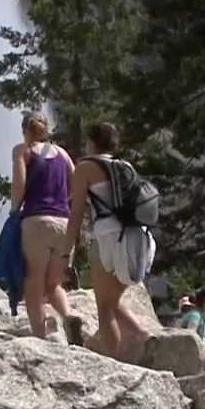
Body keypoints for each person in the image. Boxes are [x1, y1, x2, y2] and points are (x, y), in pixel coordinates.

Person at [63, 122, 156, 360]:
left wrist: (66, 249)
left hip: (106, 240)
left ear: (92, 142)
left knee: (104, 307)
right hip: (136, 239)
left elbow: (76, 212)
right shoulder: (124, 166)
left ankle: (113, 360)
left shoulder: (85, 168)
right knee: (112, 300)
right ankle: (143, 336)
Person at [11, 112, 76, 341]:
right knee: (54, 283)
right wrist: (62, 202)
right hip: (64, 223)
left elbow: (19, 185)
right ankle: (68, 316)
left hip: (37, 221)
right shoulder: (63, 154)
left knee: (34, 280)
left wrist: (14, 211)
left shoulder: (22, 150)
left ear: (24, 130)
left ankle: (39, 335)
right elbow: (75, 184)